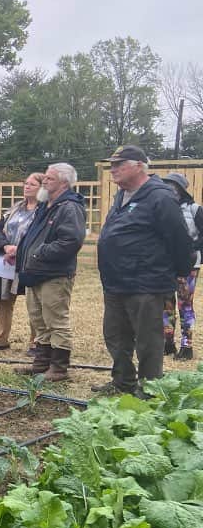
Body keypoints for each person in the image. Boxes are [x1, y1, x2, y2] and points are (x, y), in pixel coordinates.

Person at [94, 146, 193, 396]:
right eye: (111, 165)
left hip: (146, 282)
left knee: (148, 341)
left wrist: (181, 271)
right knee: (115, 336)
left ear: (139, 165)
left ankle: (150, 389)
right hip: (117, 281)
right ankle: (123, 381)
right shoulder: (122, 195)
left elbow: (179, 238)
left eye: (119, 164)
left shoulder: (160, 197)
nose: (113, 169)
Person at [13, 163, 86, 382]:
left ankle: (59, 368)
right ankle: (41, 364)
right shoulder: (46, 205)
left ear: (64, 183)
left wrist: (39, 252)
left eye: (49, 179)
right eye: (44, 177)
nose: (44, 181)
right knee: (39, 321)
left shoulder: (68, 207)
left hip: (54, 273)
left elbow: (71, 241)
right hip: (36, 272)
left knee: (56, 321)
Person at [0, 173, 44, 354]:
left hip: (29, 263)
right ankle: (1, 339)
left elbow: (40, 235)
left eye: (32, 184)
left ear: (42, 188)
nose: (27, 186)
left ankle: (36, 342)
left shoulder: (44, 211)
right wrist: (5, 246)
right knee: (3, 299)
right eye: (26, 183)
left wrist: (20, 249)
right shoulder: (15, 209)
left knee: (34, 302)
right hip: (6, 262)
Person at [161, 173, 203, 361]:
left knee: (185, 305)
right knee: (166, 305)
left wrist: (193, 251)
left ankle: (187, 347)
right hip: (166, 265)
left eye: (174, 186)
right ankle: (167, 343)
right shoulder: (162, 209)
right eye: (167, 185)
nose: (170, 189)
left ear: (181, 189)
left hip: (188, 265)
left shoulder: (194, 210)